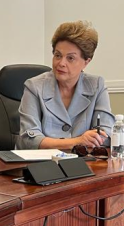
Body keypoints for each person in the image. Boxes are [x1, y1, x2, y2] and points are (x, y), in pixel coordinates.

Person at [17, 20, 115, 150]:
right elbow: (30, 140)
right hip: (40, 165)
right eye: (58, 55)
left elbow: (106, 134)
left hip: (84, 164)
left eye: (70, 58)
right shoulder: (34, 87)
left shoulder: (96, 85)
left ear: (86, 62)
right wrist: (78, 141)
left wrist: (95, 138)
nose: (61, 63)